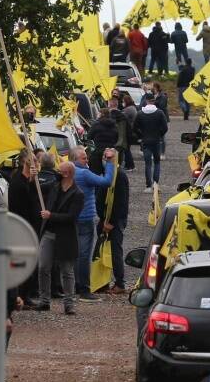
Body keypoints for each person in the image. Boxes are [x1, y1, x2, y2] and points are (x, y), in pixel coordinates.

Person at [37, 161, 83, 314]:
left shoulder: (78, 194)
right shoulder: (54, 186)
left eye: (59, 170)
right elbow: (35, 186)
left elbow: (71, 217)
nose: (56, 172)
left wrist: (51, 216)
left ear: (66, 174)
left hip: (66, 237)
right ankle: (44, 300)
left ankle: (69, 304)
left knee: (67, 271)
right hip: (49, 234)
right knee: (43, 266)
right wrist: (32, 175)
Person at [70, 148, 114, 302]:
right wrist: (109, 163)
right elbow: (106, 181)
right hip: (86, 217)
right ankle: (85, 289)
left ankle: (74, 285)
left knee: (74, 253)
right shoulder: (84, 173)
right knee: (84, 254)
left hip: (72, 218)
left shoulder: (69, 171)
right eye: (84, 158)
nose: (87, 161)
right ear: (75, 159)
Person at [8, 154, 42, 307]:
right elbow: (27, 203)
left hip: (29, 225)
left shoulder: (24, 181)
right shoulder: (18, 183)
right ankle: (21, 295)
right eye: (35, 160)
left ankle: (24, 294)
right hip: (23, 227)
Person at [94, 156, 129, 294]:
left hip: (113, 222)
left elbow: (121, 201)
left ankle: (120, 283)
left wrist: (112, 222)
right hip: (105, 220)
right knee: (102, 251)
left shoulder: (119, 175)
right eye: (103, 157)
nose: (104, 160)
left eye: (107, 158)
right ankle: (102, 281)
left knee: (115, 251)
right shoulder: (108, 174)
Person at [135, 93, 168, 192]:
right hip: (156, 140)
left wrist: (141, 135)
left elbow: (135, 128)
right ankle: (155, 184)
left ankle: (148, 185)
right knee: (157, 163)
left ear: (146, 101)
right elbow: (165, 128)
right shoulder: (160, 113)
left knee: (148, 164)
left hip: (145, 140)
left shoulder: (140, 113)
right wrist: (159, 135)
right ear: (153, 101)